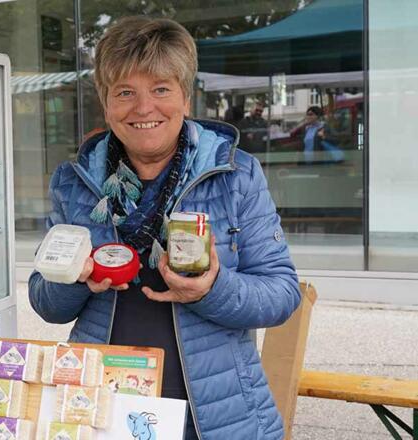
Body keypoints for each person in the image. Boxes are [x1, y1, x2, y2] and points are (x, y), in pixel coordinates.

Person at [28, 16, 301, 440]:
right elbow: (46, 302)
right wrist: (75, 280)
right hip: (102, 411)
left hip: (218, 417)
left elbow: (282, 293)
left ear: (185, 98)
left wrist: (212, 289)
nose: (143, 108)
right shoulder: (74, 181)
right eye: (125, 92)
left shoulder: (235, 175)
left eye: (160, 89)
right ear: (106, 102)